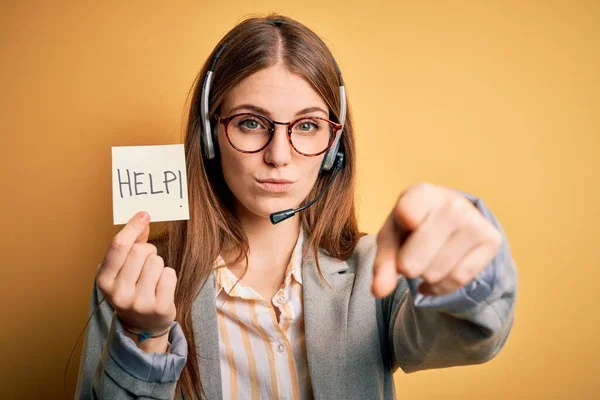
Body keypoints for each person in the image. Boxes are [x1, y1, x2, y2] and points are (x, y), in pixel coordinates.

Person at [74, 14, 517, 400]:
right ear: (210, 137)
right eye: (251, 122)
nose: (279, 155)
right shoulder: (139, 280)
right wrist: (143, 337)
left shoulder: (373, 273)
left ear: (333, 147)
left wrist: (470, 277)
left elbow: (469, 336)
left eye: (307, 125)